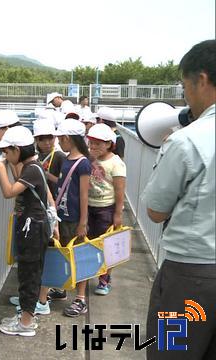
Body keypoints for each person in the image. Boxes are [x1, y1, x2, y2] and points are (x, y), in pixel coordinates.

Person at [142, 39, 215, 360]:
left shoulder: (187, 141)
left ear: (201, 79)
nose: (185, 95)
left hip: (191, 276)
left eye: (185, 85)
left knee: (170, 352)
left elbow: (156, 211)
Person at [0, 126, 56, 336]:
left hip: (32, 230)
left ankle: (25, 324)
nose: (5, 155)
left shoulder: (32, 169)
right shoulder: (32, 166)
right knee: (28, 273)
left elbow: (8, 192)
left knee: (29, 275)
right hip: (33, 228)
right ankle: (25, 318)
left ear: (17, 150)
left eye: (7, 152)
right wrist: (5, 163)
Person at [46, 119, 92, 315]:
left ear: (67, 138)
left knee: (79, 256)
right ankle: (61, 289)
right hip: (64, 216)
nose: (58, 141)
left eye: (59, 138)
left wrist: (83, 222)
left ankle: (81, 299)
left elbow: (83, 194)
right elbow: (63, 184)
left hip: (74, 218)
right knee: (63, 251)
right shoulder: (67, 160)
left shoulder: (83, 163)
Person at [86, 123, 126, 296]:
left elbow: (119, 191)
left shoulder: (116, 163)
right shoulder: (88, 159)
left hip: (106, 208)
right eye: (91, 142)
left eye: (98, 143)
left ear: (109, 144)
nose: (94, 146)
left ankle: (104, 279)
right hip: (88, 206)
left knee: (107, 245)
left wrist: (118, 214)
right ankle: (87, 274)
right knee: (87, 242)